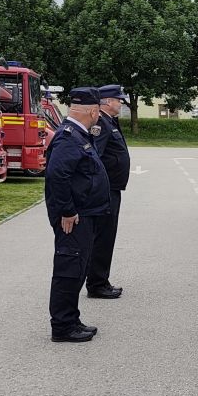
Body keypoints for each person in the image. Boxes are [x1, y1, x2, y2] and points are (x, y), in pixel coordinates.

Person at [45, 87, 112, 343]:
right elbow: (57, 176)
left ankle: (71, 319)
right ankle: (62, 326)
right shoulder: (68, 137)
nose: (99, 117)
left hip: (85, 214)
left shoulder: (78, 135)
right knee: (69, 270)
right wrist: (67, 210)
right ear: (93, 111)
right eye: (98, 112)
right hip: (74, 217)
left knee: (78, 268)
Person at [87, 84, 131, 299]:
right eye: (118, 100)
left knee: (107, 235)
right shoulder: (101, 124)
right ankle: (97, 283)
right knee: (103, 237)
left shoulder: (109, 121)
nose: (120, 103)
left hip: (112, 188)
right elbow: (95, 157)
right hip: (106, 190)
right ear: (106, 102)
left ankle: (100, 280)